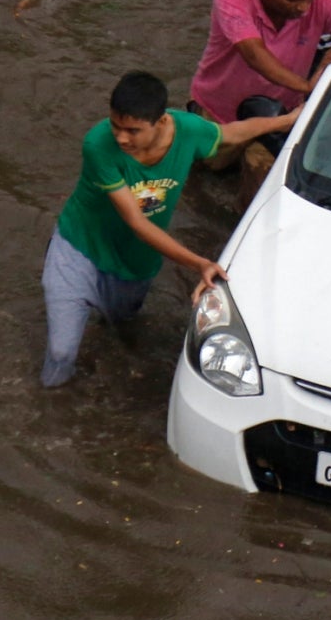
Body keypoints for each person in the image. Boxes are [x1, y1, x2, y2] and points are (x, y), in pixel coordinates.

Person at [41, 70, 296, 388]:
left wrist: (286, 122)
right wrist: (199, 263)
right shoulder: (98, 145)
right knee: (61, 350)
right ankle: (50, 398)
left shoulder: (188, 131)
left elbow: (232, 133)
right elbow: (136, 221)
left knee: (122, 325)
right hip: (79, 249)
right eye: (116, 126)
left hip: (135, 263)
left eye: (133, 130)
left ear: (161, 122)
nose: (121, 138)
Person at [188, 0, 331, 201]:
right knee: (200, 180)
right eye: (292, 0)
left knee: (263, 189)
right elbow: (253, 53)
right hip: (220, 115)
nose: (303, 7)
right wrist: (306, 86)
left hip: (279, 116)